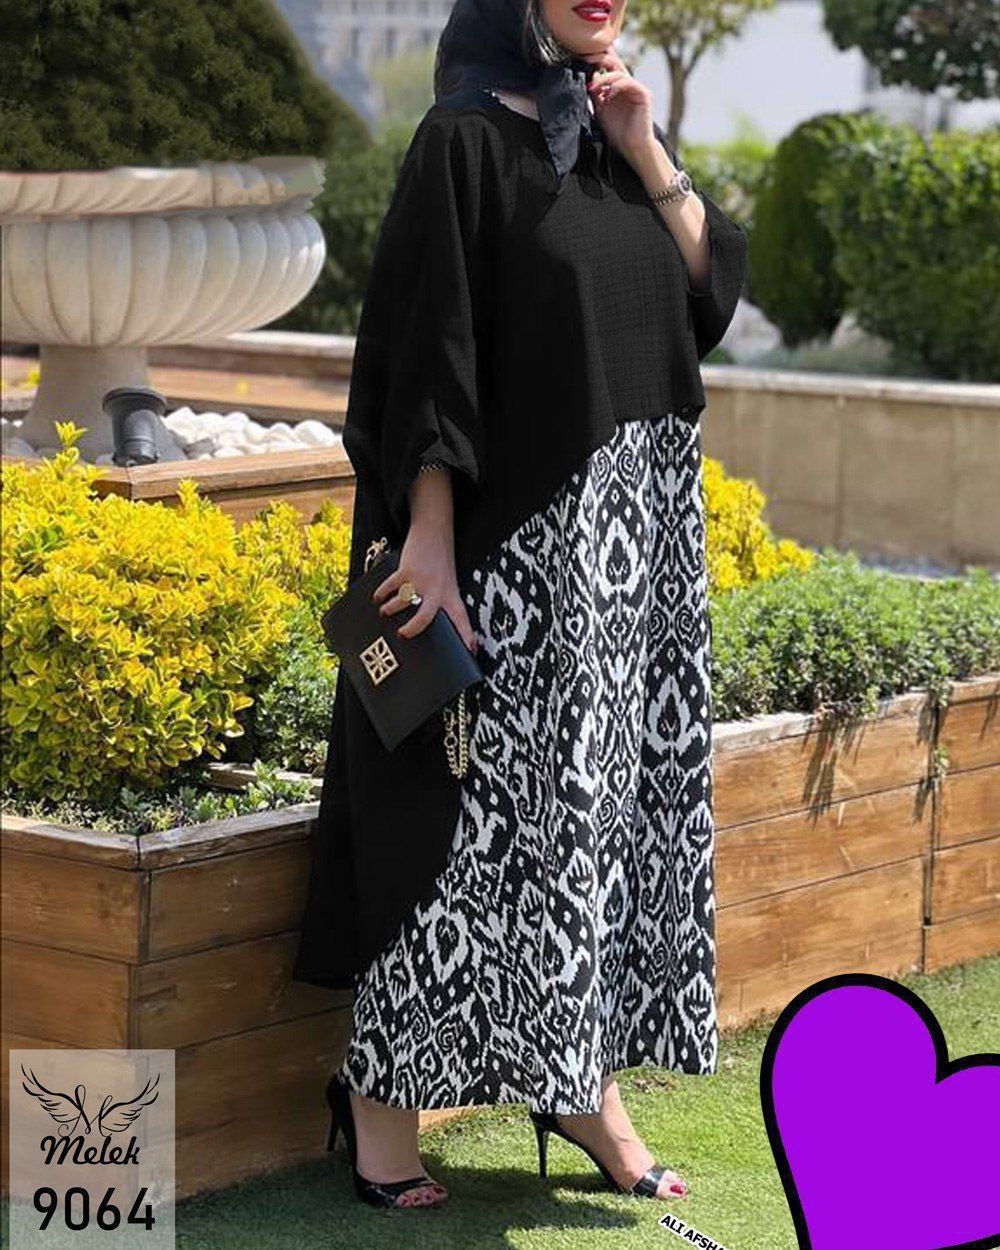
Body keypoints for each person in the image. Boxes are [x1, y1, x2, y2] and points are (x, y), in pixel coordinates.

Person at [293, 0, 748, 1211]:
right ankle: (379, 1103)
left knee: (590, 828)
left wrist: (644, 149)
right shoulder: (460, 140)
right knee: (450, 827)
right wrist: (428, 543)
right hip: (509, 556)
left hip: (628, 561)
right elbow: (426, 350)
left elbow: (704, 298)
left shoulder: (611, 134)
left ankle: (581, 1084)